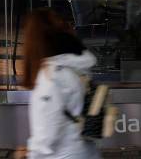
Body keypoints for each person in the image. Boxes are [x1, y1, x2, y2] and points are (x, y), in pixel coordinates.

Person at [22, 9, 100, 159]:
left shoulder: (51, 77)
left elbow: (47, 134)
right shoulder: (77, 67)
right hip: (86, 150)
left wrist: (32, 152)